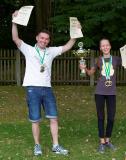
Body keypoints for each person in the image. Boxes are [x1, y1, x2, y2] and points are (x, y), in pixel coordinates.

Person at [12, 10, 81, 156]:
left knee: (53, 118)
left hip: (47, 89)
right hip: (32, 89)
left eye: (47, 39)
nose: (44, 40)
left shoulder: (52, 51)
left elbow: (68, 45)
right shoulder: (29, 49)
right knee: (35, 120)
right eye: (42, 38)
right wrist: (14, 22)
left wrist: (76, 31)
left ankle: (56, 145)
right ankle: (37, 146)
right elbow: (15, 38)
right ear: (37, 38)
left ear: (49, 41)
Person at [80, 38, 126, 153]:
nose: (105, 47)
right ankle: (101, 142)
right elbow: (90, 73)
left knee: (111, 118)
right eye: (103, 46)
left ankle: (108, 140)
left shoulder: (116, 59)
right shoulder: (98, 60)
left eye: (107, 45)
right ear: (100, 48)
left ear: (110, 46)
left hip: (112, 93)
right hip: (99, 92)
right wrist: (84, 68)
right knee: (101, 117)